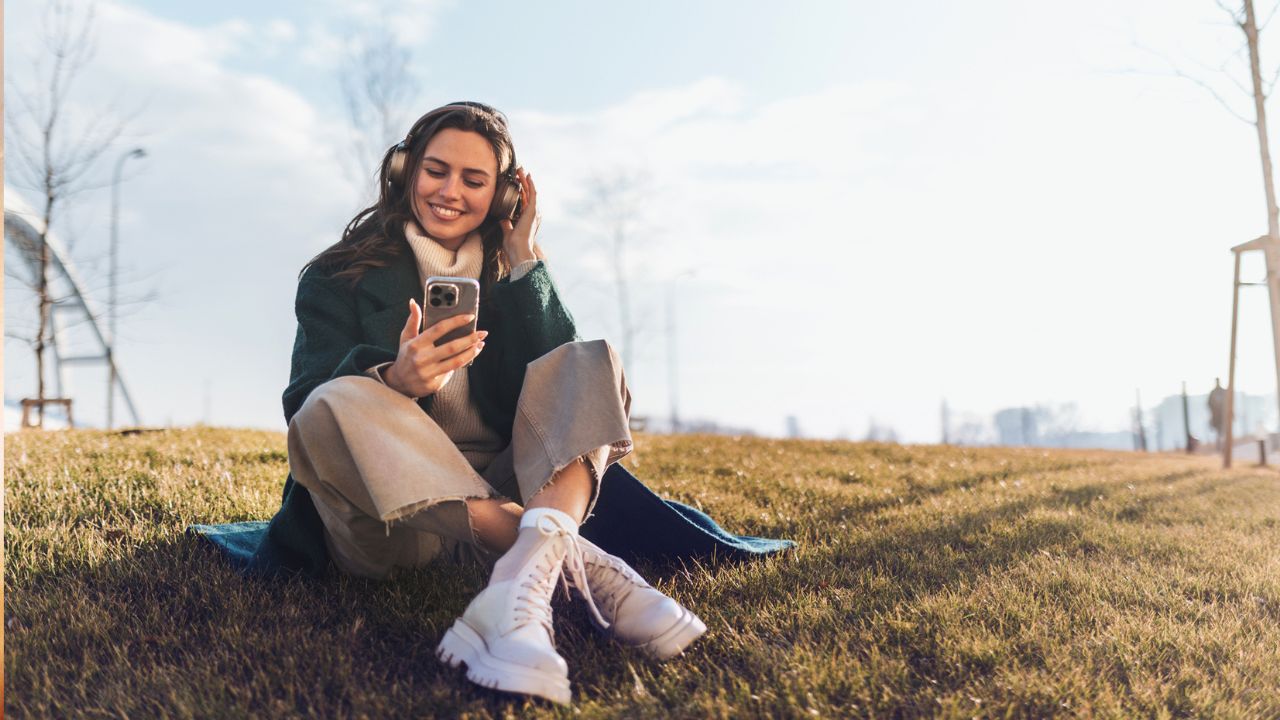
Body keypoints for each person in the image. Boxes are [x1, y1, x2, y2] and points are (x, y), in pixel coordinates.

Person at [273, 102, 705, 705]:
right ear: (404, 172)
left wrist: (527, 256)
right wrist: (393, 378)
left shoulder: (514, 276)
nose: (450, 192)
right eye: (435, 171)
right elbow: (304, 405)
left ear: (504, 195)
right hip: (395, 520)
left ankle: (516, 588)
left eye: (474, 180)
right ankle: (586, 567)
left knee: (591, 358)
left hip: (508, 489)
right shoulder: (334, 276)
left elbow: (571, 393)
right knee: (334, 402)